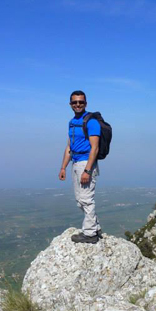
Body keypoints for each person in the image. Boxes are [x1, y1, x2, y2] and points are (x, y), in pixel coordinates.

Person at [59, 90, 102, 244]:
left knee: (86, 199)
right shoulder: (72, 122)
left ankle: (90, 234)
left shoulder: (91, 122)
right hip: (75, 163)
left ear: (86, 103)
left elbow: (95, 148)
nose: (78, 104)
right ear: (70, 104)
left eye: (81, 102)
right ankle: (95, 227)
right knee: (80, 200)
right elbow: (69, 146)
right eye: (75, 102)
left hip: (86, 163)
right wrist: (63, 167)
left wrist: (87, 170)